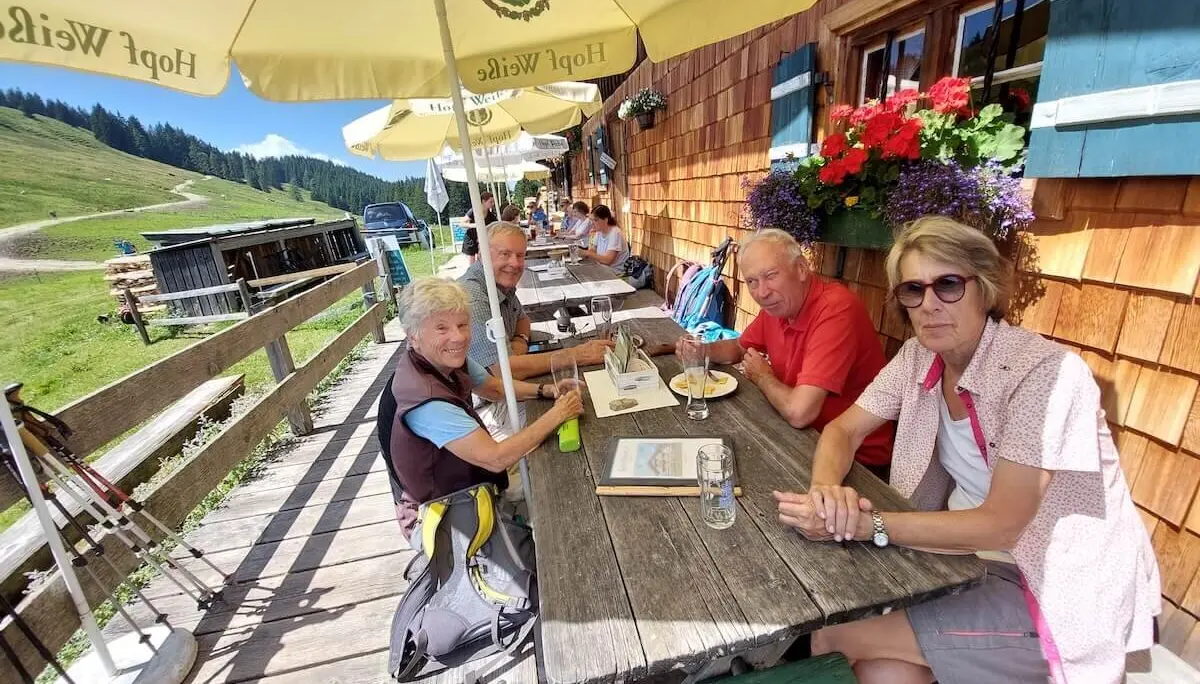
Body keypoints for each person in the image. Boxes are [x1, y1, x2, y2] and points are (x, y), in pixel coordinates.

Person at [778, 217, 1160, 684]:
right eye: (913, 290)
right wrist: (825, 492)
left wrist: (866, 525)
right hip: (962, 561)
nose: (930, 304)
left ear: (986, 288)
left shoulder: (1045, 375)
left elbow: (1002, 523)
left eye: (949, 285)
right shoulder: (919, 357)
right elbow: (842, 431)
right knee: (882, 669)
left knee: (831, 637)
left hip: (1053, 589)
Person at [380, 277, 584, 542]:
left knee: (553, 470)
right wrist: (559, 413)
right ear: (413, 335)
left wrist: (546, 390)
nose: (458, 337)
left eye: (462, 324)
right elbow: (495, 458)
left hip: (472, 480)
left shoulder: (445, 359)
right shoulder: (427, 401)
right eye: (442, 328)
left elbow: (494, 389)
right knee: (562, 487)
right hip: (446, 516)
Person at [684, 229, 894, 477]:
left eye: (771, 275)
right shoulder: (779, 306)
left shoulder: (836, 310)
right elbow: (739, 347)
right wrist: (701, 350)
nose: (761, 292)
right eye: (752, 281)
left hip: (857, 461)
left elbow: (800, 412)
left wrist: (763, 377)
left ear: (802, 269)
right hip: (803, 436)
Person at [579, 204, 629, 272]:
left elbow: (607, 260)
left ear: (606, 220)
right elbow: (593, 250)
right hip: (602, 268)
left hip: (615, 272)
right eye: (592, 220)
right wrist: (581, 252)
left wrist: (588, 253)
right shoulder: (599, 231)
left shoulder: (615, 233)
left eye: (596, 220)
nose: (592, 223)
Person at [460, 191, 497, 264]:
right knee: (472, 260)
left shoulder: (490, 215)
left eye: (493, 202)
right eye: (491, 202)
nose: (493, 204)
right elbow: (462, 223)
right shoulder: (474, 211)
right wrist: (475, 225)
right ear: (483, 201)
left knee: (482, 259)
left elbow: (496, 225)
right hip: (471, 239)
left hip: (481, 240)